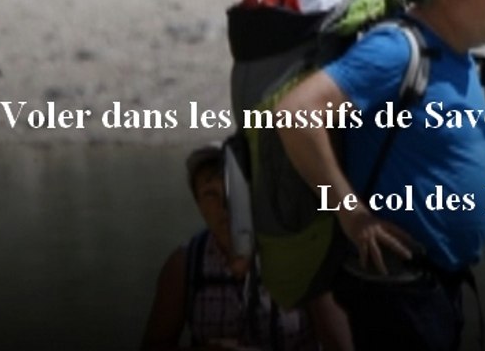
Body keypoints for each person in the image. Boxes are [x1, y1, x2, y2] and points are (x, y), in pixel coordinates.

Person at [274, 0, 485, 351]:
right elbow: (296, 112)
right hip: (395, 295)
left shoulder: (458, 55)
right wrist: (352, 214)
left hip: (431, 291)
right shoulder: (395, 50)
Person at [141, 143, 353, 351]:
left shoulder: (298, 254)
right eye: (210, 194)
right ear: (198, 204)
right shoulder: (185, 264)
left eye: (235, 190)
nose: (224, 205)